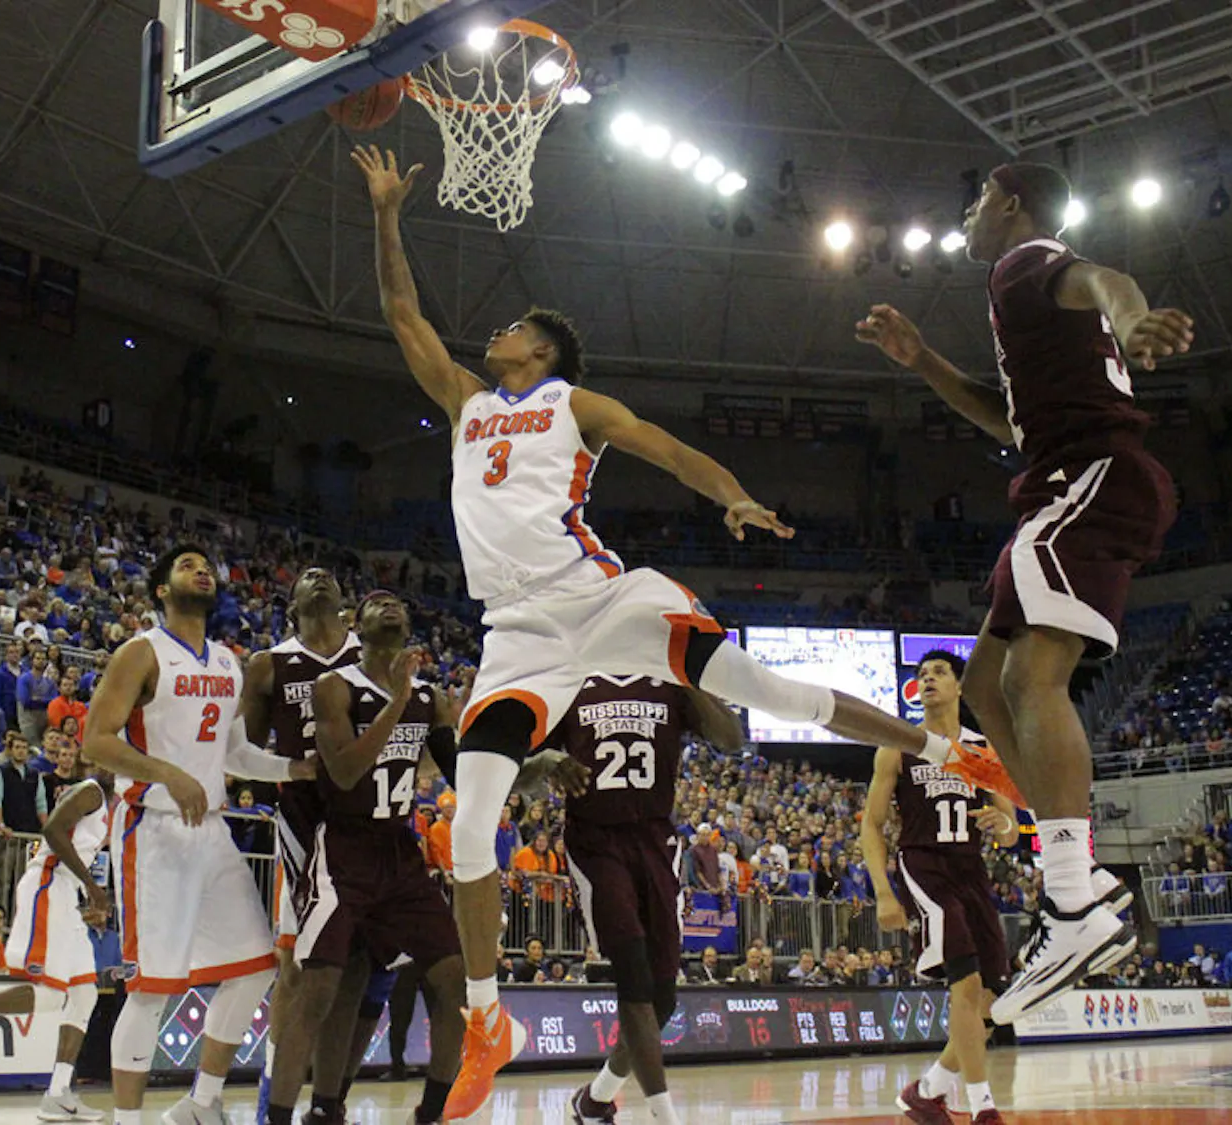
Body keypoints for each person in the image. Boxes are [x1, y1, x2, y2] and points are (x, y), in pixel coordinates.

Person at [355, 143, 960, 1117]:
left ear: (542, 356)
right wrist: (387, 213)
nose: (495, 334)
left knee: (766, 690)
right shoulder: (467, 406)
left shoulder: (574, 407)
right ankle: (485, 1022)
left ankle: (934, 744)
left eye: (513, 328)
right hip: (519, 637)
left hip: (609, 603)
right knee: (468, 823)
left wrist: (734, 497)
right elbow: (401, 316)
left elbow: (670, 450)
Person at [855, 161, 1192, 1023]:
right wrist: (923, 357)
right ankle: (1073, 883)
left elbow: (1101, 279)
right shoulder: (1021, 306)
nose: (967, 215)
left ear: (1009, 203)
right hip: (1062, 478)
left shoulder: (1025, 260)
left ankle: (1072, 896)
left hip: (1086, 480)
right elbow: (1009, 419)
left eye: (974, 201)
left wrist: (1133, 313)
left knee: (1031, 681)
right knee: (982, 682)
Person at [83, 544, 313, 1125]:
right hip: (153, 829)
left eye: (205, 565)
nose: (200, 570)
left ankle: (202, 1102)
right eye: (186, 564)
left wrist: (294, 768)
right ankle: (130, 1120)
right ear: (162, 589)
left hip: (211, 831)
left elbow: (236, 753)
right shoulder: (142, 652)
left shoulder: (228, 662)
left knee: (256, 966)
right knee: (152, 987)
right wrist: (168, 774)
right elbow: (96, 741)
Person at [274, 590, 469, 1125]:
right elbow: (343, 773)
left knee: (454, 979)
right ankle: (282, 1115)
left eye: (399, 603)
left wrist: (532, 766)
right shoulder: (334, 686)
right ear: (354, 624)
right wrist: (397, 704)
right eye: (377, 602)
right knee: (318, 990)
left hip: (399, 853)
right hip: (342, 847)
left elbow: (464, 775)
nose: (391, 606)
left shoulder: (431, 698)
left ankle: (430, 1113)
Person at [543, 672, 741, 1125]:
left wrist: (687, 675)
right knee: (632, 973)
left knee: (663, 997)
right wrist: (552, 758)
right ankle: (665, 1116)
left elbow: (732, 738)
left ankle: (595, 1100)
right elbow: (527, 745)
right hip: (596, 839)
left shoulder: (668, 684)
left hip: (656, 839)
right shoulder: (572, 679)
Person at [863, 651, 1021, 1125]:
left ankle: (927, 1090)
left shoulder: (980, 748)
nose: (928, 679)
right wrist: (884, 892)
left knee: (991, 1005)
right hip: (923, 863)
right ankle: (981, 1109)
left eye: (938, 673)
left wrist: (1003, 823)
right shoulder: (898, 744)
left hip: (970, 868)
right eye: (921, 675)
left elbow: (1012, 828)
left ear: (959, 687)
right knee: (966, 982)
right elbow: (871, 826)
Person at [239, 567, 363, 1125]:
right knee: (294, 964)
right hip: (303, 824)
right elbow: (238, 754)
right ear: (292, 603)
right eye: (307, 576)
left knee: (364, 966)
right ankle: (275, 1093)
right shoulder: (268, 665)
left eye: (327, 575)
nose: (318, 577)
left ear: (346, 600)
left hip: (369, 823)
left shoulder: (372, 655)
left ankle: (332, 1099)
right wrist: (294, 766)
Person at [0, 767, 113, 1121]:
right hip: (47, 884)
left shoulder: (111, 805)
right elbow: (52, 831)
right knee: (52, 994)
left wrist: (88, 900)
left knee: (85, 994)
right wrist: (93, 886)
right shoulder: (91, 791)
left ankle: (58, 1093)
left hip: (66, 894)